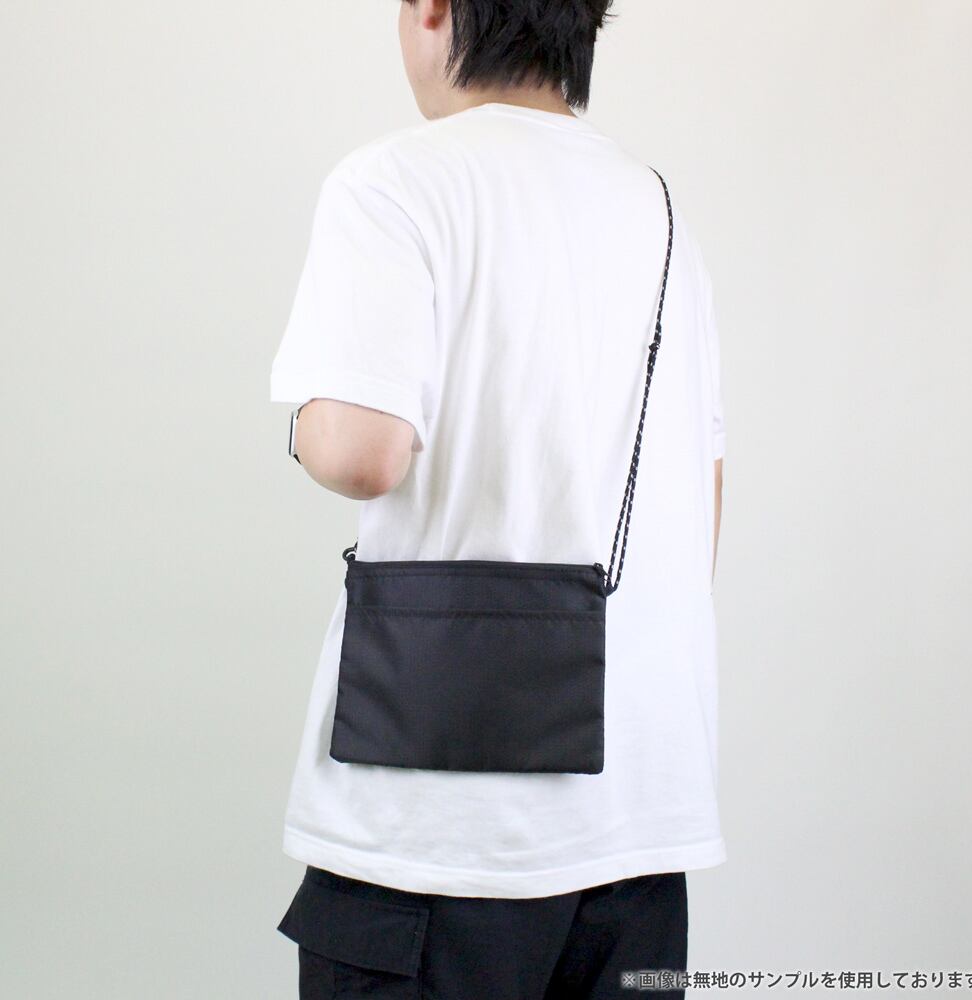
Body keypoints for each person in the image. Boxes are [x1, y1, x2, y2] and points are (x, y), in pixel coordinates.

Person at [269, 1, 726, 997]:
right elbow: (705, 502)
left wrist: (301, 424)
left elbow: (361, 452)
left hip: (437, 829)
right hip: (640, 829)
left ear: (433, 8)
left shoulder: (394, 180)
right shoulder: (658, 210)